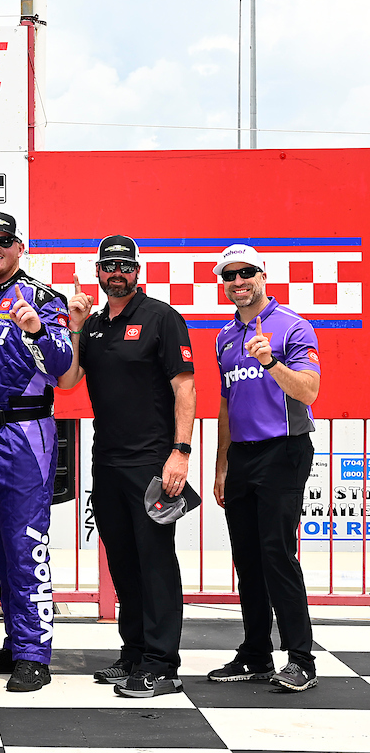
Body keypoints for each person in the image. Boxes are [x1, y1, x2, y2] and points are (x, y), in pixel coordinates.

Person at [58, 234, 196, 698]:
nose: (117, 272)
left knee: (155, 562)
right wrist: (76, 325)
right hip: (108, 460)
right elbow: (70, 380)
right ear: (97, 271)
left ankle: (162, 664)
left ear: (138, 271)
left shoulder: (161, 317)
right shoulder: (94, 325)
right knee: (123, 561)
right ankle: (134, 652)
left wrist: (181, 451)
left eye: (125, 265)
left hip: (153, 462)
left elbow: (185, 388)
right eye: (108, 265)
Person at [0, 212, 72, 692]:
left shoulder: (43, 298)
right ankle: (15, 638)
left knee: (27, 543)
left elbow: (64, 366)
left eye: (4, 240)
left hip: (26, 430)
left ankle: (34, 655)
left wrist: (36, 331)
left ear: (19, 246)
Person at [209, 244, 321, 692]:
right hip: (243, 457)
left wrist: (270, 361)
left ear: (262, 275)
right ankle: (255, 652)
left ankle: (301, 660)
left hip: (284, 450)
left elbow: (309, 392)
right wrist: (221, 466)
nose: (238, 282)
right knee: (248, 559)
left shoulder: (292, 326)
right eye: (229, 276)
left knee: (276, 555)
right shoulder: (224, 336)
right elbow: (225, 405)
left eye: (246, 273)